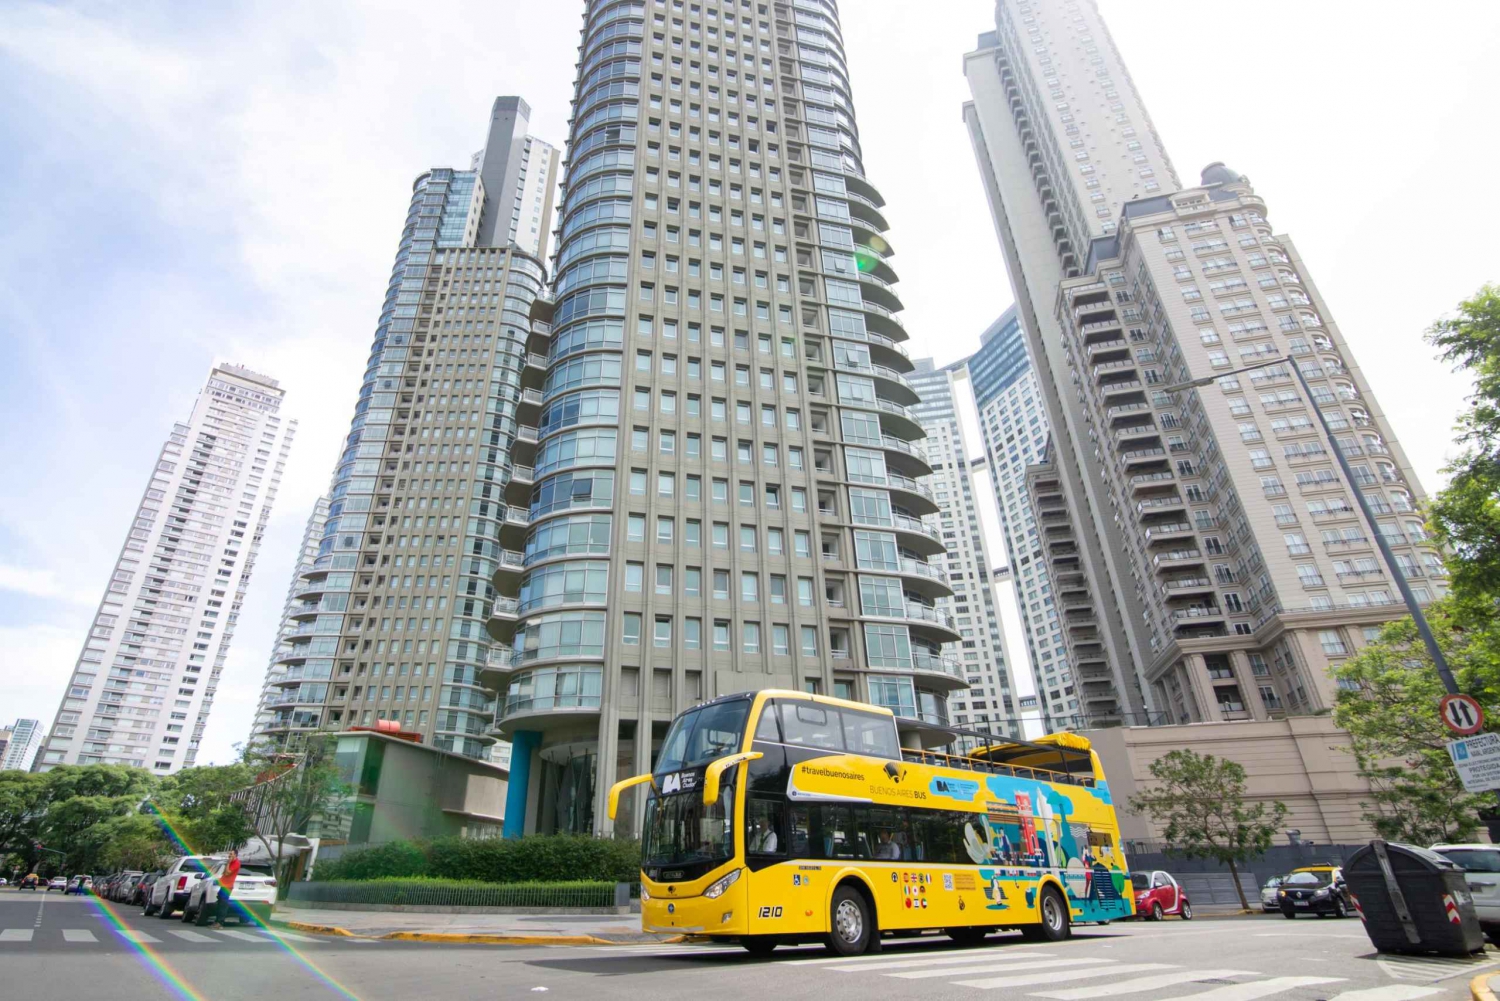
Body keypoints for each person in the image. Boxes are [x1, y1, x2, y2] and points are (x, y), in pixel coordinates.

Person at [213, 849, 241, 929]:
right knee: (219, 903)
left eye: (231, 854)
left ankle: (220, 923)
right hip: (223, 885)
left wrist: (228, 863)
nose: (230, 855)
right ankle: (217, 921)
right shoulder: (231, 862)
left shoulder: (236, 863)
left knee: (223, 905)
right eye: (229, 854)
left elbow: (228, 872)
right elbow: (225, 873)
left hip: (228, 886)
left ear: (235, 855)